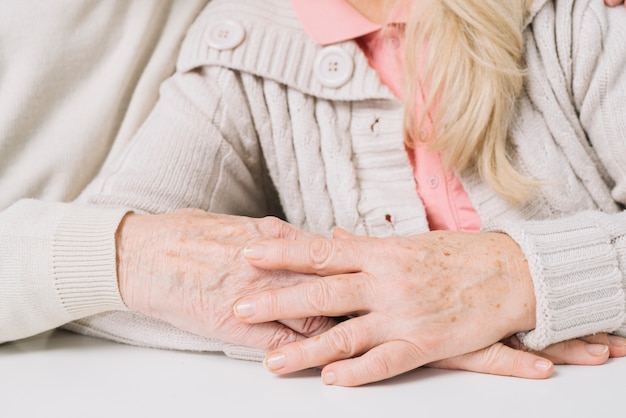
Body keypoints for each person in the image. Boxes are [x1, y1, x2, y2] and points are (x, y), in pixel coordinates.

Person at [2, 0, 625, 382]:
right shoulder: (241, 43)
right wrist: (375, 319)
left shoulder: (578, 15)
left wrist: (520, 276)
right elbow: (109, 279)